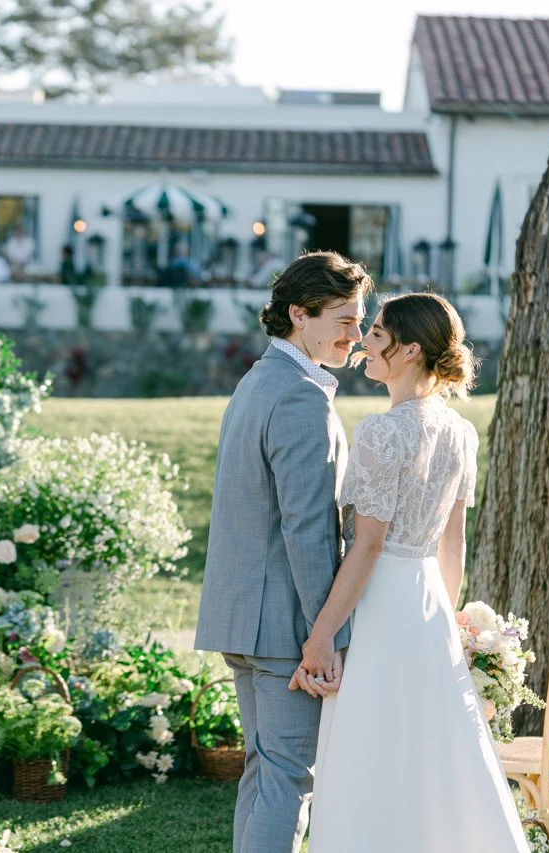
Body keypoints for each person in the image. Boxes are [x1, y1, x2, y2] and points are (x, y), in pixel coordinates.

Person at [299, 293, 529, 852]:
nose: (364, 342)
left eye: (378, 333)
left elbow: (368, 545)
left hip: (380, 603)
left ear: (410, 351)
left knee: (371, 747)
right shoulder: (461, 433)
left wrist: (322, 635)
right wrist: (446, 623)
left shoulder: (383, 432)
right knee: (429, 748)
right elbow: (453, 543)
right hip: (428, 605)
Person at [194, 250, 371, 853]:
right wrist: (325, 634)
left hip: (244, 615)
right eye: (344, 321)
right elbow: (308, 529)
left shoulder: (259, 379)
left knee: (266, 769)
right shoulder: (299, 395)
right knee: (289, 777)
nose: (356, 335)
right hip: (282, 627)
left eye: (360, 321)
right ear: (299, 314)